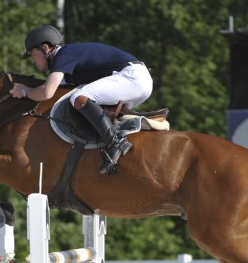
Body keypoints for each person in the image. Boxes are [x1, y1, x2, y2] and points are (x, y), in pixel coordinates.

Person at [10, 25, 153, 175]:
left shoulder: (63, 55)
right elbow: (55, 90)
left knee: (78, 98)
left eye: (33, 54)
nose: (33, 60)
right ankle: (111, 141)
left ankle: (116, 143)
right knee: (85, 104)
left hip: (132, 78)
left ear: (45, 48)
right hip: (137, 81)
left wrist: (24, 91)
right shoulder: (67, 63)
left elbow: (47, 92)